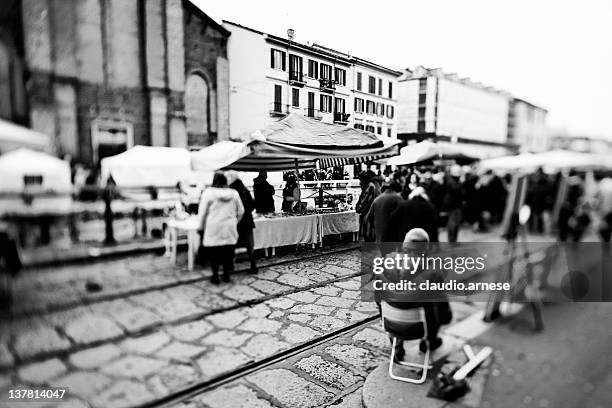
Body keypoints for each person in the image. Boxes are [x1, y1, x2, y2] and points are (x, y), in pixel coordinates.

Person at [379, 228, 450, 361]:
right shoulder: (433, 272)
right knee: (434, 306)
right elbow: (442, 311)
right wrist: (445, 317)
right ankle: (429, 342)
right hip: (419, 329)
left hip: (390, 324)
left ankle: (397, 347)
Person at [198, 172, 244, 284]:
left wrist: (201, 226)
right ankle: (226, 275)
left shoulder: (208, 193)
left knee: (214, 253)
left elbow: (202, 213)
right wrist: (234, 221)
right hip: (229, 228)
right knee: (228, 253)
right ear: (225, 181)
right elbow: (241, 211)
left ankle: (215, 276)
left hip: (213, 227)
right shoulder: (234, 193)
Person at [227, 171, 258, 274]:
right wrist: (247, 212)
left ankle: (230, 267)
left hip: (236, 221)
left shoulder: (230, 190)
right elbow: (253, 204)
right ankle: (253, 266)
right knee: (249, 246)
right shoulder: (244, 188)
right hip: (248, 221)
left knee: (231, 244)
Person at [367, 181, 403, 256]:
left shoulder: (377, 199)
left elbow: (370, 216)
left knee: (384, 255)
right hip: (392, 236)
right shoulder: (397, 197)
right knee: (392, 257)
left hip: (379, 236)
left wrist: (376, 227)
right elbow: (402, 216)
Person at [355, 171, 381, 241]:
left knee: (368, 232)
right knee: (370, 231)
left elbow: (365, 200)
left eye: (360, 180)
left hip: (369, 212)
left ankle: (369, 248)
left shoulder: (370, 186)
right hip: (373, 211)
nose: (359, 182)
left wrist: (358, 208)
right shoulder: (375, 184)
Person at [443, 166, 464, 242]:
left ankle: (453, 239)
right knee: (452, 224)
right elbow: (456, 188)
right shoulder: (451, 181)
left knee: (456, 224)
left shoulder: (453, 180)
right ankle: (451, 240)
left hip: (456, 204)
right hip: (452, 205)